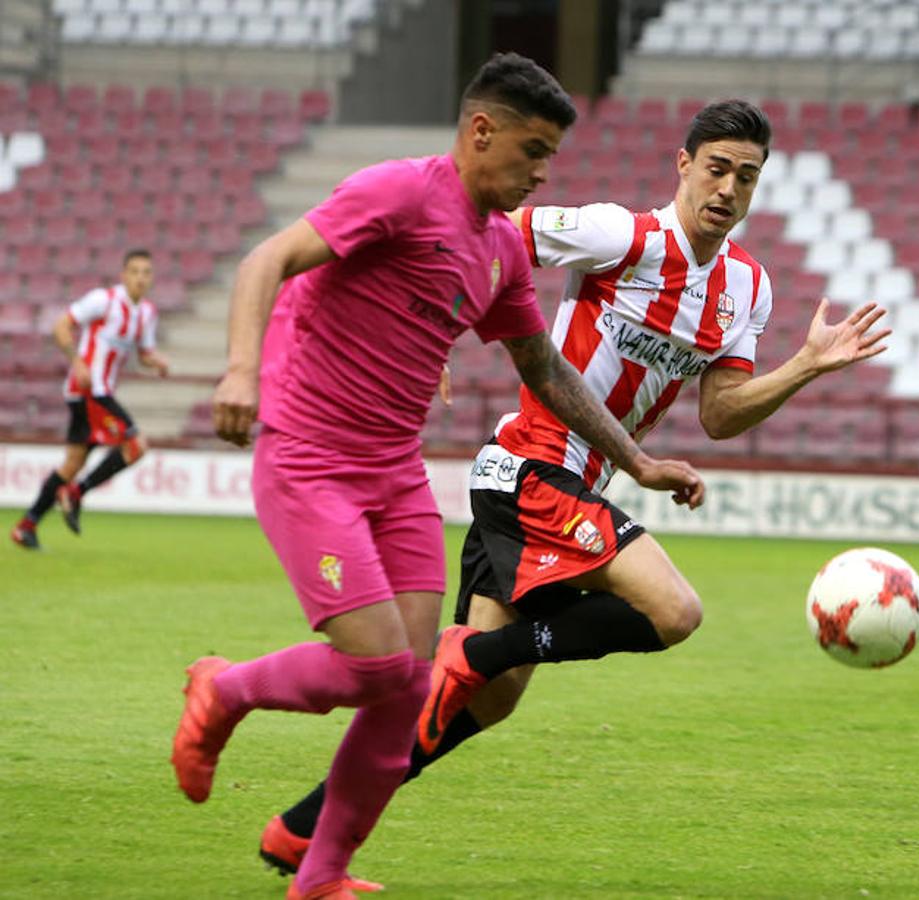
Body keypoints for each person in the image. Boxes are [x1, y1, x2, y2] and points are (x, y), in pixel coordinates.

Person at [257, 98, 890, 882]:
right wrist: (429, 324)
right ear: (683, 165)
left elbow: (721, 414)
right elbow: (484, 238)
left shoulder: (745, 287)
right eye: (717, 167)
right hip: (530, 469)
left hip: (563, 485)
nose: (728, 188)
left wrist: (803, 367)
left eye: (747, 176)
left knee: (482, 703)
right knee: (672, 611)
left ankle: (305, 830)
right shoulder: (619, 235)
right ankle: (477, 651)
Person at [169, 53, 704, 900]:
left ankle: (320, 876)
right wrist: (240, 371)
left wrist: (635, 460)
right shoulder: (399, 194)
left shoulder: (497, 250)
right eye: (531, 150)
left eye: (550, 158)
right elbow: (265, 260)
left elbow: (548, 372)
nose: (539, 173)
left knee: (409, 682)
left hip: (394, 475)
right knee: (380, 670)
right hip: (310, 458)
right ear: (479, 131)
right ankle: (224, 689)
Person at [9, 249, 169, 550]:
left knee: (71, 464)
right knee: (136, 445)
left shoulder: (147, 313)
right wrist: (78, 361)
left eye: (146, 272)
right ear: (123, 275)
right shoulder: (104, 300)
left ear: (152, 278)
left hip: (100, 392)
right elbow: (61, 326)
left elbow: (144, 354)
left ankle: (26, 527)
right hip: (89, 390)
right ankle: (76, 493)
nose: (140, 278)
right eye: (134, 271)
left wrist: (156, 361)